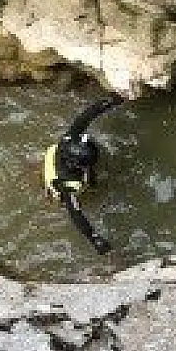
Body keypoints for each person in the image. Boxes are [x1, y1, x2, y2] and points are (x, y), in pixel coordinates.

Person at [43, 95, 124, 253]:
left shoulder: (71, 138)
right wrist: (94, 238)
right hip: (57, 185)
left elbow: (86, 116)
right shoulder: (67, 186)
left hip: (58, 160)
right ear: (77, 165)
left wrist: (109, 102)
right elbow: (76, 214)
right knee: (53, 203)